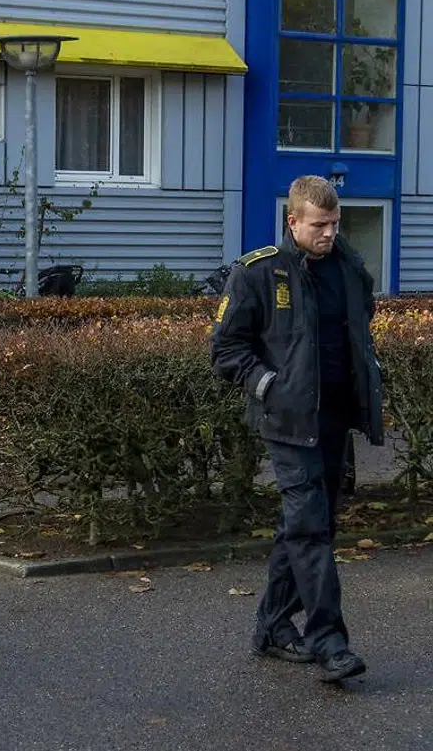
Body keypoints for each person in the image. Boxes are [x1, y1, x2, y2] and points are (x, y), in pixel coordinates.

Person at [211, 175, 382, 684]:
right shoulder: (259, 273)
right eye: (319, 225)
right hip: (287, 423)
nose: (329, 233)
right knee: (310, 529)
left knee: (307, 524)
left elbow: (361, 327)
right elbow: (225, 352)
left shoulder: (350, 269)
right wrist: (271, 385)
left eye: (335, 224)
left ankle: (271, 625)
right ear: (293, 221)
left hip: (334, 419)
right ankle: (329, 643)